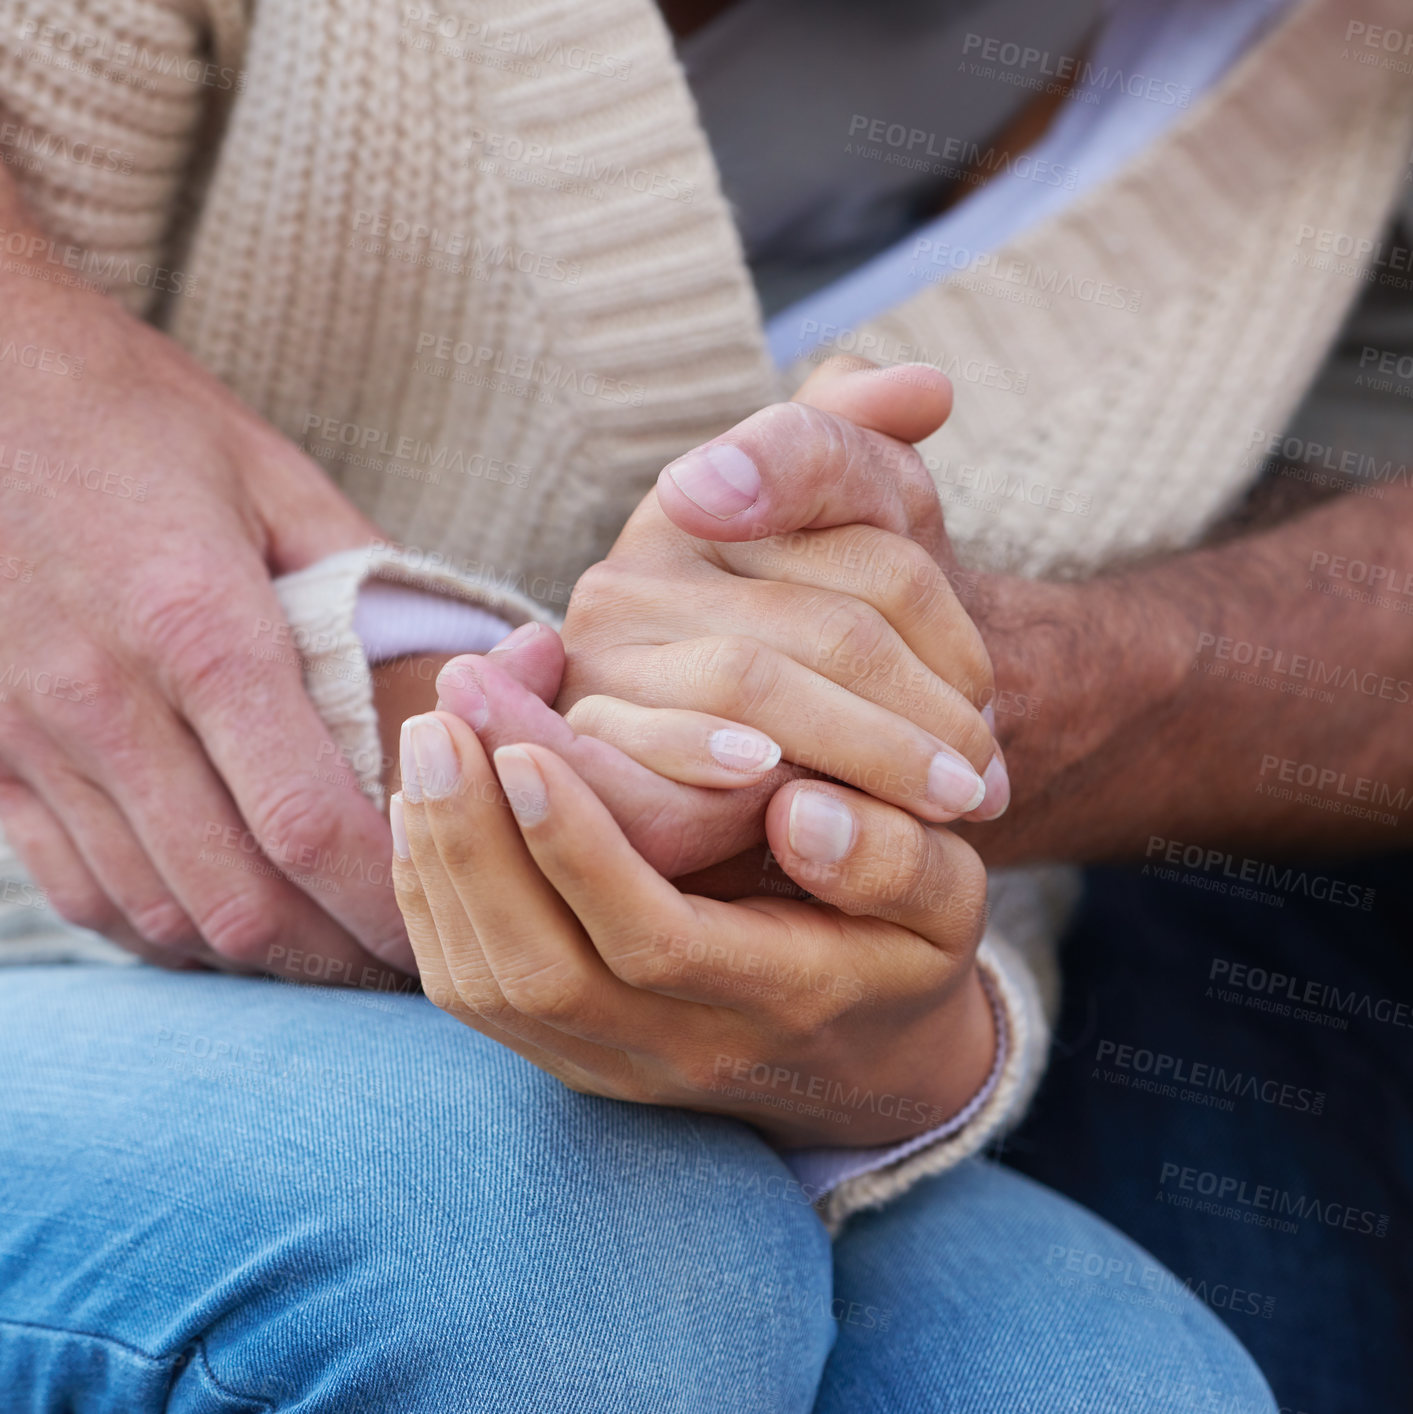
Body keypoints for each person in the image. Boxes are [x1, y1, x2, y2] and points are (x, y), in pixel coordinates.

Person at [1, 0, 1409, 1405]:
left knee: (1110, 1381)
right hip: (52, 954)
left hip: (737, 1088)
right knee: (539, 1269)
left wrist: (884, 988)